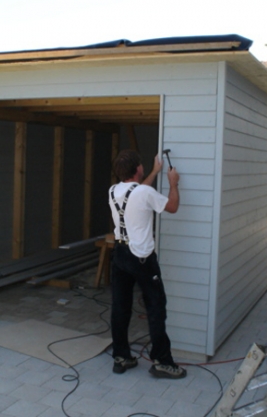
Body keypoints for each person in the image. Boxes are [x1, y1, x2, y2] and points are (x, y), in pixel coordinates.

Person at [108, 149, 186, 379]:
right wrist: (173, 183)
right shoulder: (144, 192)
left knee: (120, 307)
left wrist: (154, 172)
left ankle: (121, 356)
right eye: (142, 165)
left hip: (120, 255)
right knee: (156, 308)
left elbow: (138, 193)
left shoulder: (113, 190)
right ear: (137, 169)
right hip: (141, 258)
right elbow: (172, 206)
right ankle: (163, 362)